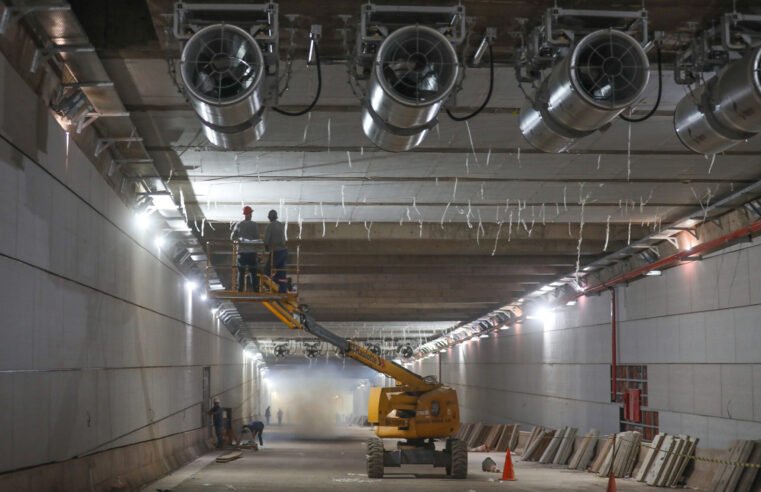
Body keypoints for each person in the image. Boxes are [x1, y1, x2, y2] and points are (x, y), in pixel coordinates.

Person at [230, 206, 260, 292]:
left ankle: (240, 289)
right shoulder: (254, 225)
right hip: (252, 253)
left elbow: (232, 237)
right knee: (253, 271)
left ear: (244, 214)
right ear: (250, 214)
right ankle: (255, 289)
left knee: (241, 271)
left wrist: (239, 240)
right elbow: (257, 238)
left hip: (242, 253)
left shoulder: (239, 224)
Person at [263, 210, 288, 293]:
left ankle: (268, 287)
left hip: (276, 252)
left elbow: (266, 241)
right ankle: (282, 290)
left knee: (267, 270)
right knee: (281, 271)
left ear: (269, 218)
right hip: (284, 251)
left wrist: (266, 249)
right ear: (276, 217)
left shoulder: (269, 226)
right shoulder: (280, 225)